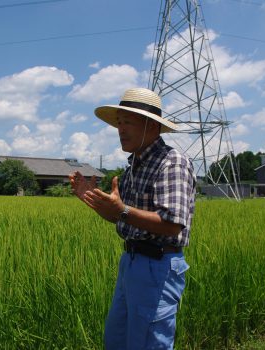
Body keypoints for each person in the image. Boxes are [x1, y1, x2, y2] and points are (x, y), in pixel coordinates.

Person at [69, 87, 196, 350]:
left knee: (148, 343)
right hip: (131, 262)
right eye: (119, 123)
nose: (120, 129)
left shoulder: (171, 163)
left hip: (158, 265)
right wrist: (94, 201)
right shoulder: (133, 168)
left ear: (151, 125)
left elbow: (172, 223)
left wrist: (122, 210)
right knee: (116, 341)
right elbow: (122, 216)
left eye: (128, 122)